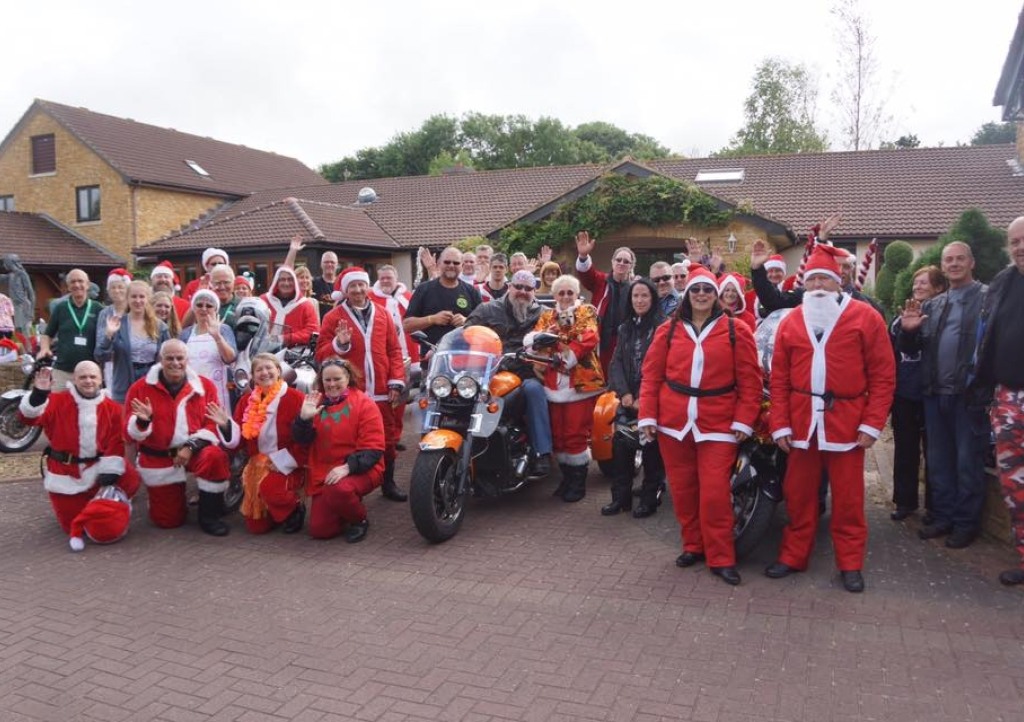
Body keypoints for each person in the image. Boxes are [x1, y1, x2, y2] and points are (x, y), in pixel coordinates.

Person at [764, 245, 895, 593]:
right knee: (799, 495)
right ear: (804, 284)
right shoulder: (792, 321)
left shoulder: (866, 318)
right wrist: (779, 422)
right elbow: (778, 378)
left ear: (839, 283)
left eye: (826, 279)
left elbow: (883, 376)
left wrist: (871, 424)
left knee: (849, 499)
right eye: (812, 280)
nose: (819, 285)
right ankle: (793, 556)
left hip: (848, 424)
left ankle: (850, 563)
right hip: (802, 421)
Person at [637, 266, 761, 586]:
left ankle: (721, 557)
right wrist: (648, 417)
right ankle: (693, 544)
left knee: (715, 493)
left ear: (716, 294)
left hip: (718, 422)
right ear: (687, 294)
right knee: (683, 489)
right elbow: (651, 376)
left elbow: (750, 381)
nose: (702, 295)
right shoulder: (667, 330)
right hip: (673, 422)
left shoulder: (737, 331)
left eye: (707, 289)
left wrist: (744, 420)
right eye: (696, 290)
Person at [897, 241, 988, 549]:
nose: (953, 264)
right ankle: (944, 518)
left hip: (969, 396)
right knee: (939, 461)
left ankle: (965, 524)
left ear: (971, 262)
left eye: (960, 258)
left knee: (967, 462)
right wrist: (908, 332)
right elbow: (913, 350)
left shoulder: (988, 299)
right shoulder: (934, 305)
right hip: (934, 394)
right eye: (948, 259)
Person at [17, 360, 141, 539]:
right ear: (74, 379)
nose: (88, 381)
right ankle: (91, 504)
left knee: (130, 481)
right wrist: (38, 395)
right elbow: (27, 419)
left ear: (101, 380)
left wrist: (111, 469)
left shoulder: (113, 408)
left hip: (98, 470)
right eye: (83, 377)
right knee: (75, 527)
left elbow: (116, 442)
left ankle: (108, 504)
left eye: (93, 377)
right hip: (66, 473)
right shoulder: (56, 402)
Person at [124, 339, 232, 535]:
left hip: (193, 450)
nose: (175, 363)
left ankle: (209, 515)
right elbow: (129, 433)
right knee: (168, 521)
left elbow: (212, 424)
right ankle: (165, 498)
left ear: (187, 360)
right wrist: (143, 422)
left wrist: (191, 446)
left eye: (180, 358)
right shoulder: (139, 388)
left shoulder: (205, 386)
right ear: (160, 359)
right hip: (159, 458)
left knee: (214, 456)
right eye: (170, 358)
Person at [318, 267, 407, 501]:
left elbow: (394, 351)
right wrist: (339, 344)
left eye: (361, 285)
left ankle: (388, 482)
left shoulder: (382, 314)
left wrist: (395, 381)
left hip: (380, 390)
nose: (358, 290)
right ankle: (351, 486)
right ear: (345, 290)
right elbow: (320, 356)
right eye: (352, 286)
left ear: (367, 286)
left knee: (387, 439)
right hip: (351, 393)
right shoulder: (333, 317)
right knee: (349, 440)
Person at [973, 216, 1024, 585]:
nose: (1019, 247)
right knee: (1014, 484)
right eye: (1014, 241)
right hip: (1008, 397)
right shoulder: (1003, 283)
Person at [524, 275, 604, 502]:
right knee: (558, 435)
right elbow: (533, 340)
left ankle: (578, 483)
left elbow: (588, 337)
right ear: (555, 295)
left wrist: (557, 345)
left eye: (570, 292)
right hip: (553, 384)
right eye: (561, 293)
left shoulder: (586, 311)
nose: (566, 297)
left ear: (576, 294)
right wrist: (550, 342)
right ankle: (567, 479)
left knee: (575, 434)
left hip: (580, 383)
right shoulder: (548, 315)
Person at [466, 269, 553, 475]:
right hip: (489, 373)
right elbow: (466, 332)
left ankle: (542, 452)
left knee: (534, 391)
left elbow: (555, 338)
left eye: (528, 288)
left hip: (526, 373)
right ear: (509, 286)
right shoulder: (487, 309)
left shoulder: (544, 314)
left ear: (534, 291)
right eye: (518, 286)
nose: (522, 291)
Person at [211, 353, 307, 534]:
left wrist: (284, 462)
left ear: (278, 371)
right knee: (257, 528)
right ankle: (272, 510)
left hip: (287, 464)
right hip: (256, 465)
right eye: (259, 370)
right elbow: (239, 439)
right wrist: (225, 426)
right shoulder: (246, 401)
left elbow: (305, 440)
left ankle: (294, 509)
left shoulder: (296, 398)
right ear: (253, 377)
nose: (265, 373)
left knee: (271, 489)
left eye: (269, 368)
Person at [292, 358, 386, 542]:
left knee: (339, 489)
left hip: (360, 468)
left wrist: (346, 468)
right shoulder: (314, 402)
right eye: (327, 380)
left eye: (337, 379)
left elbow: (374, 449)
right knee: (320, 531)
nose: (332, 384)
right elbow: (301, 441)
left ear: (348, 378)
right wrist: (303, 420)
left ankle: (359, 519)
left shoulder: (364, 404)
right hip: (324, 472)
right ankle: (344, 506)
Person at [888, 266, 946, 521]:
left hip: (933, 394)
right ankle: (905, 501)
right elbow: (890, 357)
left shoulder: (944, 317)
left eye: (924, 283)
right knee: (905, 451)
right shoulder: (899, 319)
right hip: (905, 395)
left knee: (935, 453)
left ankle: (935, 506)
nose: (918, 287)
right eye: (916, 283)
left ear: (939, 287)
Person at [605, 278, 666, 518]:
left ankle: (649, 499)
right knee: (621, 451)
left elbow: (665, 367)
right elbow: (616, 362)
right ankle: (620, 499)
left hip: (653, 402)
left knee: (651, 454)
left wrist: (645, 398)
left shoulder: (663, 327)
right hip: (628, 400)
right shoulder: (625, 327)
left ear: (652, 298)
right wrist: (626, 394)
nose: (639, 300)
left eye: (644, 296)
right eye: (635, 296)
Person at [369, 264, 420, 450]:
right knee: (383, 399)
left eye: (388, 278)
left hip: (407, 357)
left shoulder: (408, 297)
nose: (385, 281)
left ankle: (395, 437)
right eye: (382, 278)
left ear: (396, 279)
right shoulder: (370, 298)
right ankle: (380, 436)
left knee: (401, 399)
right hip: (381, 358)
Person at [94, 281, 170, 403]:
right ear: (127, 298)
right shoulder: (118, 324)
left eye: (141, 296)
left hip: (151, 383)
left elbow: (168, 357)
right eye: (134, 296)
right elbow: (100, 356)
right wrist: (108, 335)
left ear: (148, 298)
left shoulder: (160, 326)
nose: (138, 300)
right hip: (124, 385)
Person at [574, 230, 634, 377]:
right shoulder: (601, 281)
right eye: (618, 260)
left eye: (626, 261)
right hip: (602, 340)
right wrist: (583, 256)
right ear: (612, 262)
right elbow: (586, 275)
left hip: (625, 342)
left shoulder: (635, 288)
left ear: (631, 266)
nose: (621, 263)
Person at [404, 247, 482, 357]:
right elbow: (407, 325)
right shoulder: (424, 289)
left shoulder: (471, 291)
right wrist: (432, 319)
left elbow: (485, 326)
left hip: (465, 360)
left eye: (456, 263)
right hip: (432, 360)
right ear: (439, 263)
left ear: (461, 266)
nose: (451, 265)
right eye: (447, 262)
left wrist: (467, 322)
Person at [39, 268, 103, 389]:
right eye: (73, 282)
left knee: (88, 407)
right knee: (58, 405)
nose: (77, 285)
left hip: (89, 374)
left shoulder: (98, 309)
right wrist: (45, 348)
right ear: (68, 286)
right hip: (63, 371)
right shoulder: (60, 308)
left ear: (87, 284)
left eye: (80, 281)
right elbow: (47, 334)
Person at [179, 290, 237, 409]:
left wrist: (217, 336)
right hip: (192, 388)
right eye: (199, 305)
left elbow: (230, 358)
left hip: (220, 388)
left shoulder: (224, 330)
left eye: (209, 306)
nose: (204, 309)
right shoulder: (185, 334)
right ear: (193, 308)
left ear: (215, 309)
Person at [261, 265, 319, 350]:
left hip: (293, 354)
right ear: (276, 282)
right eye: (282, 279)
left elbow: (313, 332)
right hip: (263, 351)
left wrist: (285, 338)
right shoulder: (263, 300)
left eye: (290, 279)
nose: (286, 283)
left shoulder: (306, 305)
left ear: (295, 282)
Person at [95, 268, 132, 390]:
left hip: (132, 363)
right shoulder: (104, 313)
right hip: (111, 365)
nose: (117, 291)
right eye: (113, 287)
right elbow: (100, 344)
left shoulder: (134, 311)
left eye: (121, 287)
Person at [0, 253, 35, 335]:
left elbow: (31, 293)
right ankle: (21, 346)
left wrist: (32, 310)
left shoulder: (22, 274)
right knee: (18, 329)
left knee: (24, 329)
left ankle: (28, 347)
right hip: (15, 306)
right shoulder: (11, 275)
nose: (4, 265)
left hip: (23, 305)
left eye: (4, 263)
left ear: (9, 263)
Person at [312, 251, 339, 317]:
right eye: (326, 262)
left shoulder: (342, 285)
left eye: (332, 262)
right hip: (319, 325)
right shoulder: (313, 284)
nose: (329, 264)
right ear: (321, 264)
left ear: (337, 265)